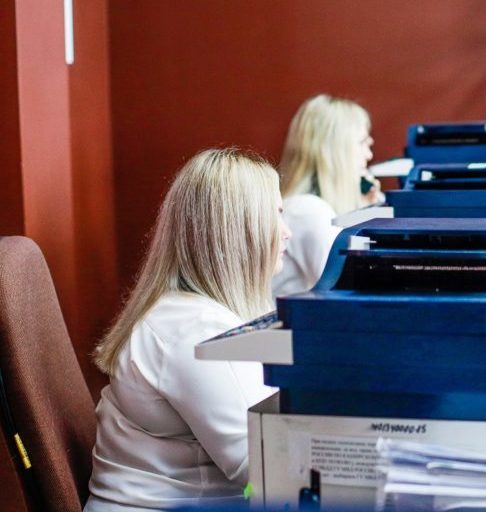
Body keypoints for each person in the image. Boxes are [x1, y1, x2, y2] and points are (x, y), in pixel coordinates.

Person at [87, 149, 290, 511]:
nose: (287, 233)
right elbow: (262, 467)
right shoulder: (191, 330)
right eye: (275, 215)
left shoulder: (193, 313)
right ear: (238, 233)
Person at [274, 94, 378, 297]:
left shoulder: (310, 207)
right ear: (335, 152)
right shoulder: (308, 210)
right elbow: (355, 284)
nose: (369, 155)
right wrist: (372, 216)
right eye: (362, 143)